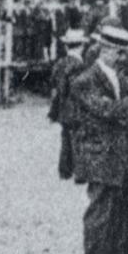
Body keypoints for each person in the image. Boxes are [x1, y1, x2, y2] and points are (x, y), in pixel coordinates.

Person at [70, 24, 128, 254]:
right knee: (100, 211)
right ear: (106, 49)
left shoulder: (119, 77)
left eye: (123, 53)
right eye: (118, 52)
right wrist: (124, 107)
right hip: (99, 154)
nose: (121, 58)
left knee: (123, 210)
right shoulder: (84, 80)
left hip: (122, 151)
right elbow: (104, 109)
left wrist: (121, 107)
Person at [47, 28, 88, 182]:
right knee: (78, 139)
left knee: (66, 138)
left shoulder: (60, 63)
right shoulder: (79, 65)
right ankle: (79, 172)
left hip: (63, 107)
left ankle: (64, 170)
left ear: (66, 46)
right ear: (81, 47)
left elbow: (54, 86)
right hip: (76, 108)